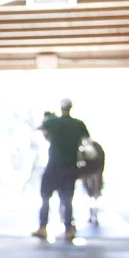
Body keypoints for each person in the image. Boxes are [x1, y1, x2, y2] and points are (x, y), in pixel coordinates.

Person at [34, 98, 91, 242]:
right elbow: (87, 140)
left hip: (54, 166)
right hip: (71, 167)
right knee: (67, 199)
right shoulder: (78, 124)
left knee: (45, 197)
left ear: (61, 108)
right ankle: (68, 230)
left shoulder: (53, 122)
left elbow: (42, 128)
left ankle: (43, 227)